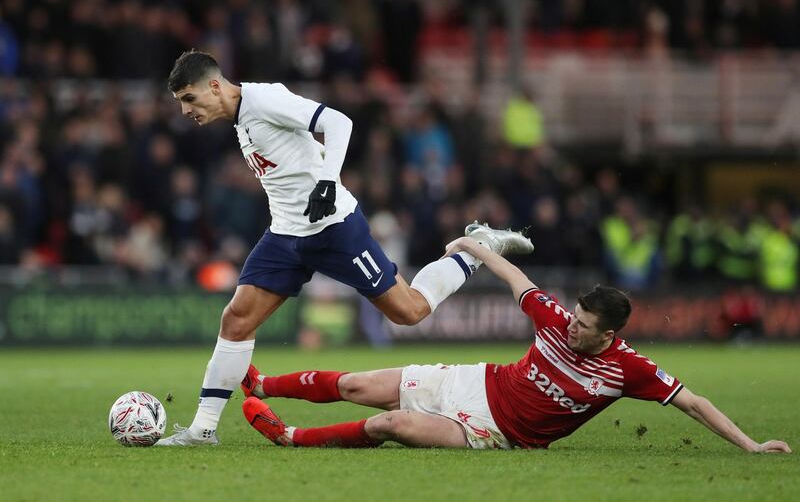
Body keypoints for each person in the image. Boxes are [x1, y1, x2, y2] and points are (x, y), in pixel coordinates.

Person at [157, 51, 533, 445]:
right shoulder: (239, 119)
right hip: (286, 235)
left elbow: (338, 122)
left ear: (215, 86)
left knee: (409, 311)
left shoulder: (264, 100)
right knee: (235, 321)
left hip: (334, 228)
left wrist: (328, 181)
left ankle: (475, 249)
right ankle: (203, 429)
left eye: (189, 98)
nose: (185, 110)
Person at [240, 236, 791, 453]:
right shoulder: (553, 318)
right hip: (474, 380)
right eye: (572, 318)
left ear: (609, 336)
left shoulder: (628, 370)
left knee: (392, 424)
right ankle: (261, 383)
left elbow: (693, 403)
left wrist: (750, 445)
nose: (570, 328)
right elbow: (514, 279)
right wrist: (477, 246)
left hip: (495, 433)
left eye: (582, 327)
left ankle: (290, 437)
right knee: (361, 384)